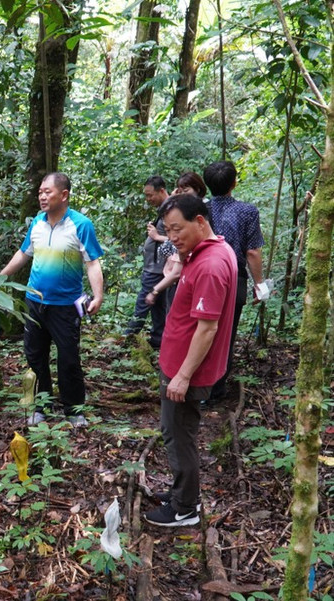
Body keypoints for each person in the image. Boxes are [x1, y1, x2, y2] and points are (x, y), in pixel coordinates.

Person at [144, 193, 237, 527]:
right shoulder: (210, 250)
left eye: (177, 229)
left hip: (188, 371)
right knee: (178, 432)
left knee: (177, 435)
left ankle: (185, 509)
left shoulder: (211, 264)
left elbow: (207, 328)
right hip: (180, 363)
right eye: (167, 230)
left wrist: (182, 376)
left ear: (200, 222)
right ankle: (183, 492)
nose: (172, 237)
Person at [0, 172, 104, 427]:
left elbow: (92, 263)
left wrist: (98, 295)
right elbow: (24, 253)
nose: (42, 196)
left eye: (48, 192)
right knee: (35, 356)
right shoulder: (37, 223)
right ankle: (40, 406)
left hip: (65, 305)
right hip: (35, 302)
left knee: (68, 358)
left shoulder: (81, 224)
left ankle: (74, 410)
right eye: (40, 192)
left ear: (64, 195)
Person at [203, 161, 265, 402]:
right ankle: (215, 390)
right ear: (234, 183)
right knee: (225, 333)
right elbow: (252, 252)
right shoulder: (247, 211)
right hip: (233, 277)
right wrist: (259, 284)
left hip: (204, 276)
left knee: (202, 328)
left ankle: (199, 388)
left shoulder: (199, 209)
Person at [146, 172, 208, 312]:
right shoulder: (179, 210)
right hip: (172, 273)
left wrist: (157, 237)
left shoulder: (201, 211)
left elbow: (179, 265)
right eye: (168, 230)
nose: (173, 237)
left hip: (182, 275)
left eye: (186, 190)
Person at [124, 176, 170, 348]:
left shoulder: (171, 210)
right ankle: (158, 339)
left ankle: (129, 335)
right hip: (156, 266)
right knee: (157, 305)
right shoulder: (164, 209)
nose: (148, 199)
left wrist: (156, 237)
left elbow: (177, 239)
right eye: (146, 195)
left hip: (158, 268)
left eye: (150, 195)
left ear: (161, 191)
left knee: (144, 301)